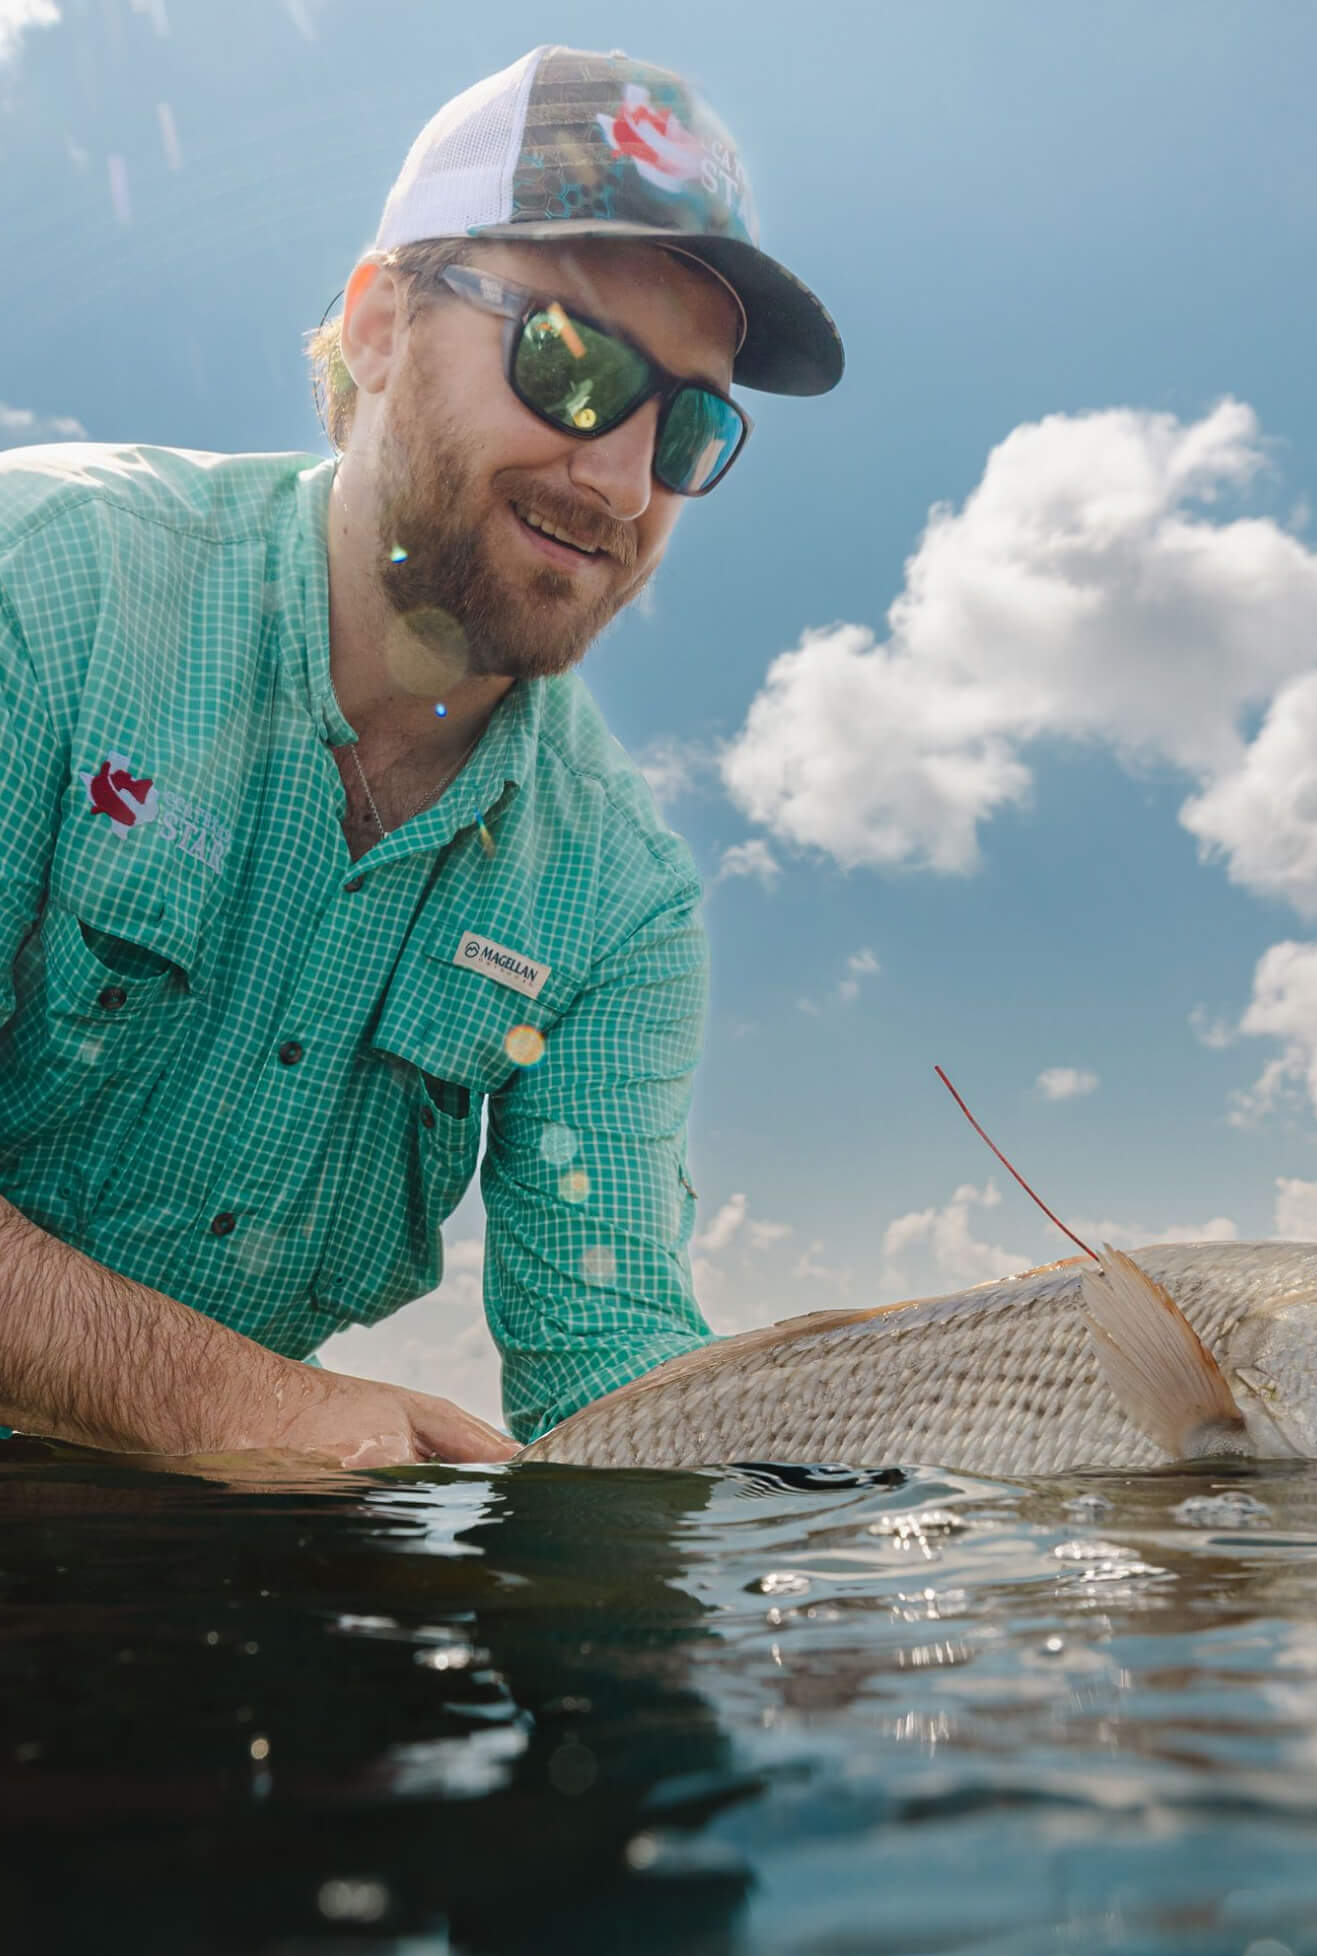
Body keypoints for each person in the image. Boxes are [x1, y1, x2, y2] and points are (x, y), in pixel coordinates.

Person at [0, 46, 843, 1467]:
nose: (620, 482)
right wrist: (228, 1401)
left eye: (690, 423)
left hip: (161, 1595)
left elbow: (609, 1358)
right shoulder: (46, 588)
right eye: (571, 364)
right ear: (380, 324)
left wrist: (860, 1518)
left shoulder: (621, 907)